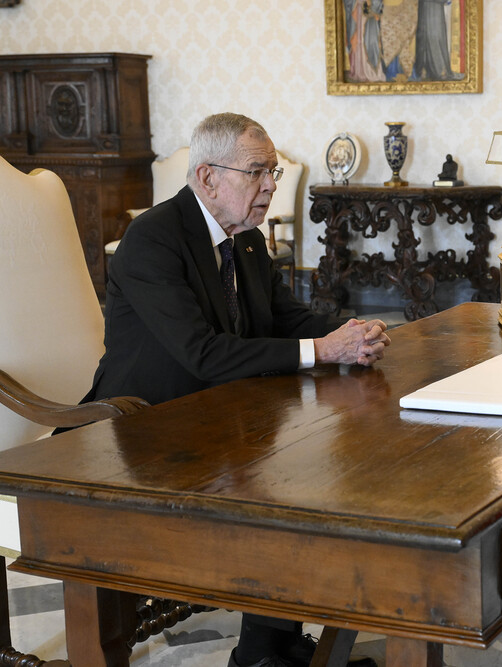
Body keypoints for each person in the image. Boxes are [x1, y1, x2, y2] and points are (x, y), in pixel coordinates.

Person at [84, 113, 387, 667]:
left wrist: (348, 333)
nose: (271, 184)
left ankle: (273, 646)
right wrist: (324, 351)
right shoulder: (151, 239)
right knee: (283, 483)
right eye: (257, 172)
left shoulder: (243, 237)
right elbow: (203, 352)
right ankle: (265, 651)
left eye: (272, 171)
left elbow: (283, 317)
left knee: (309, 475)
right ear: (207, 178)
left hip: (220, 414)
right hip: (139, 432)